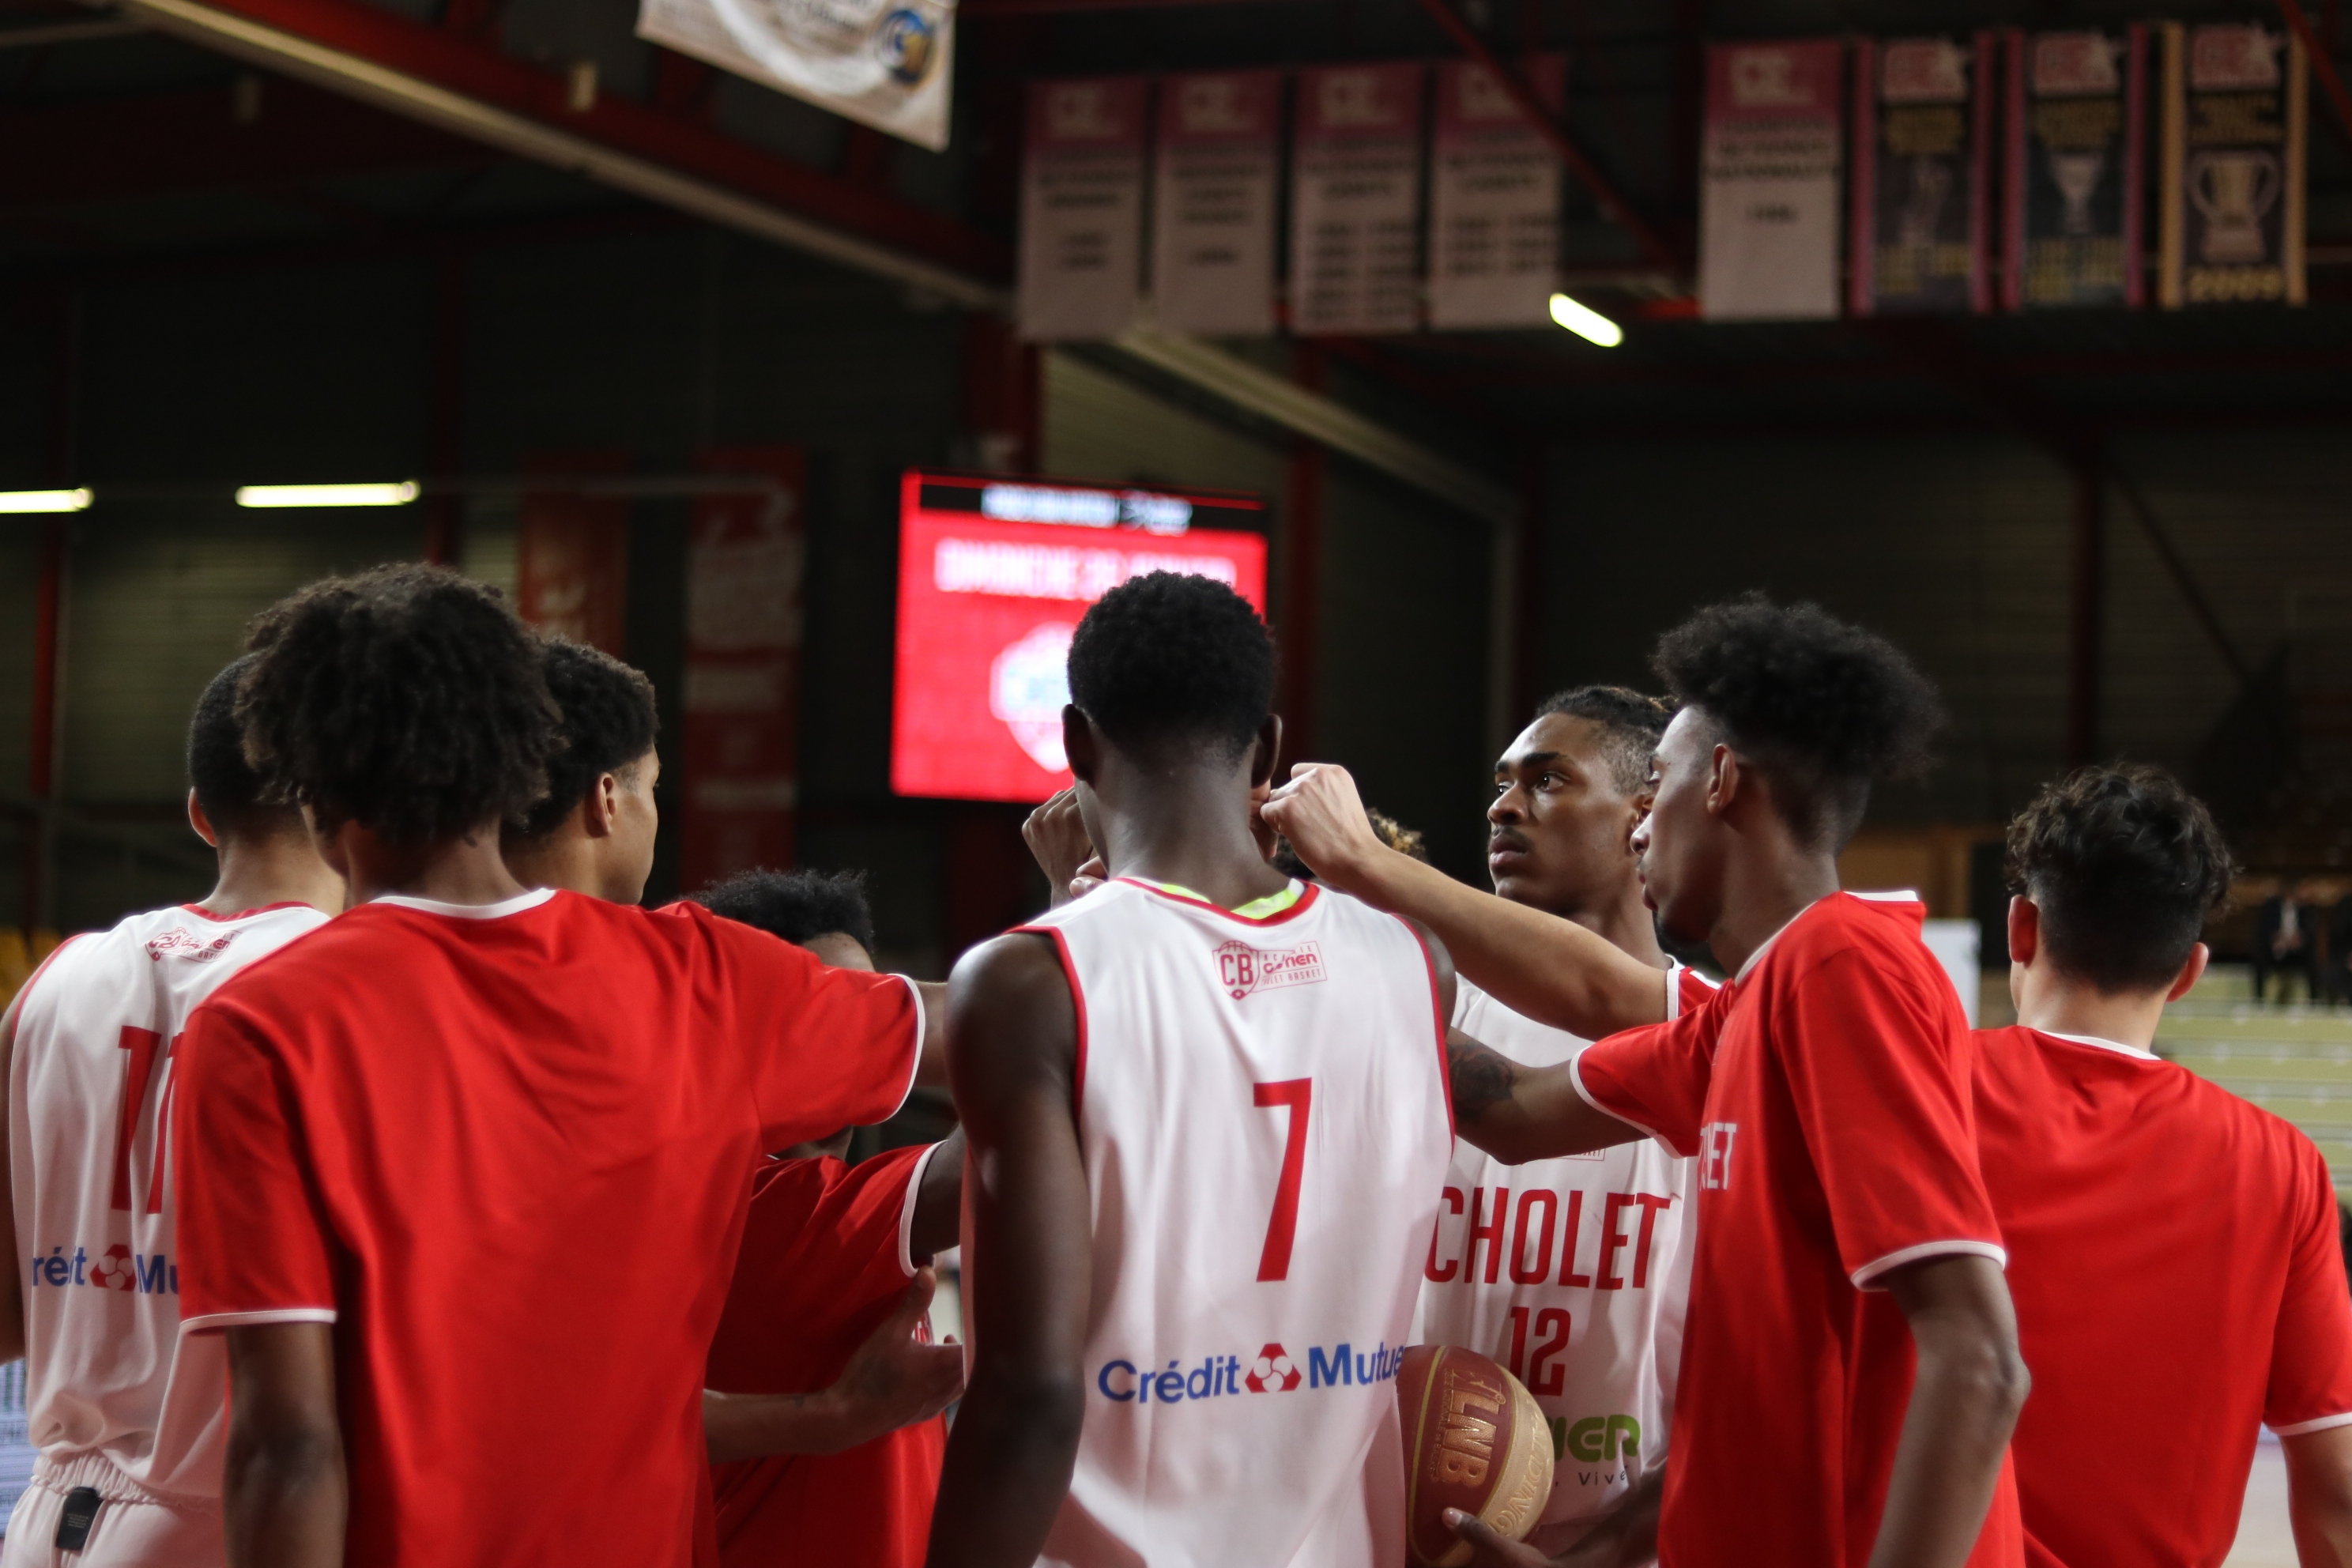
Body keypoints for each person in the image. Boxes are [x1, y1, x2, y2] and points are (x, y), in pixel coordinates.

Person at [167, 564, 943, 1568]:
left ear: (317, 800)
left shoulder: (265, 1024)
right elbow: (992, 1030)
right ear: (522, 764)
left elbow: (288, 1446)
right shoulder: (706, 977)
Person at [1265, 594, 2029, 1568]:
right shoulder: (1742, 1019)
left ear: (1717, 782)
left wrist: (1366, 863)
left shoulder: (1844, 964)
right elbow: (1508, 1109)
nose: (1640, 834)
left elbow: (1981, 1359)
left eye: (1655, 785)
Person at [932, 571, 1457, 1568]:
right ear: (1266, 746)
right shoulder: (1416, 963)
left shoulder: (1030, 980)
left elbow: (1032, 1387)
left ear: (1075, 741)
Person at [499, 639, 963, 1479]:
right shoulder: (693, 980)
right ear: (608, 798)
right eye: (653, 789)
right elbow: (1016, 1034)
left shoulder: (331, 990)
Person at [0, 660, 345, 1566]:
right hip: (238, 1514)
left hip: (44, 1518)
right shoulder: (351, 985)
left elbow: (5, 1313)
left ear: (199, 811)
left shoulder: (55, 976)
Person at [1973, 765, 2352, 1566]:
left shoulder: (1911, 1095)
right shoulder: (2284, 1165)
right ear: (2190, 971)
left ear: (2021, 929)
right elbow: (2336, 1480)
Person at [1415, 687, 1708, 1563]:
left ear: (1645, 817)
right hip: (1402, 1528)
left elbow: (1740, 1394)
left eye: (1548, 781)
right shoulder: (1432, 1008)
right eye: (1503, 782)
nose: (1504, 804)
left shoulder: (1716, 1037)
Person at [696, 869, 964, 1568]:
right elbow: (1006, 1153)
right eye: (834, 1011)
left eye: (876, 1006)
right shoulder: (749, 1206)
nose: (865, 1033)